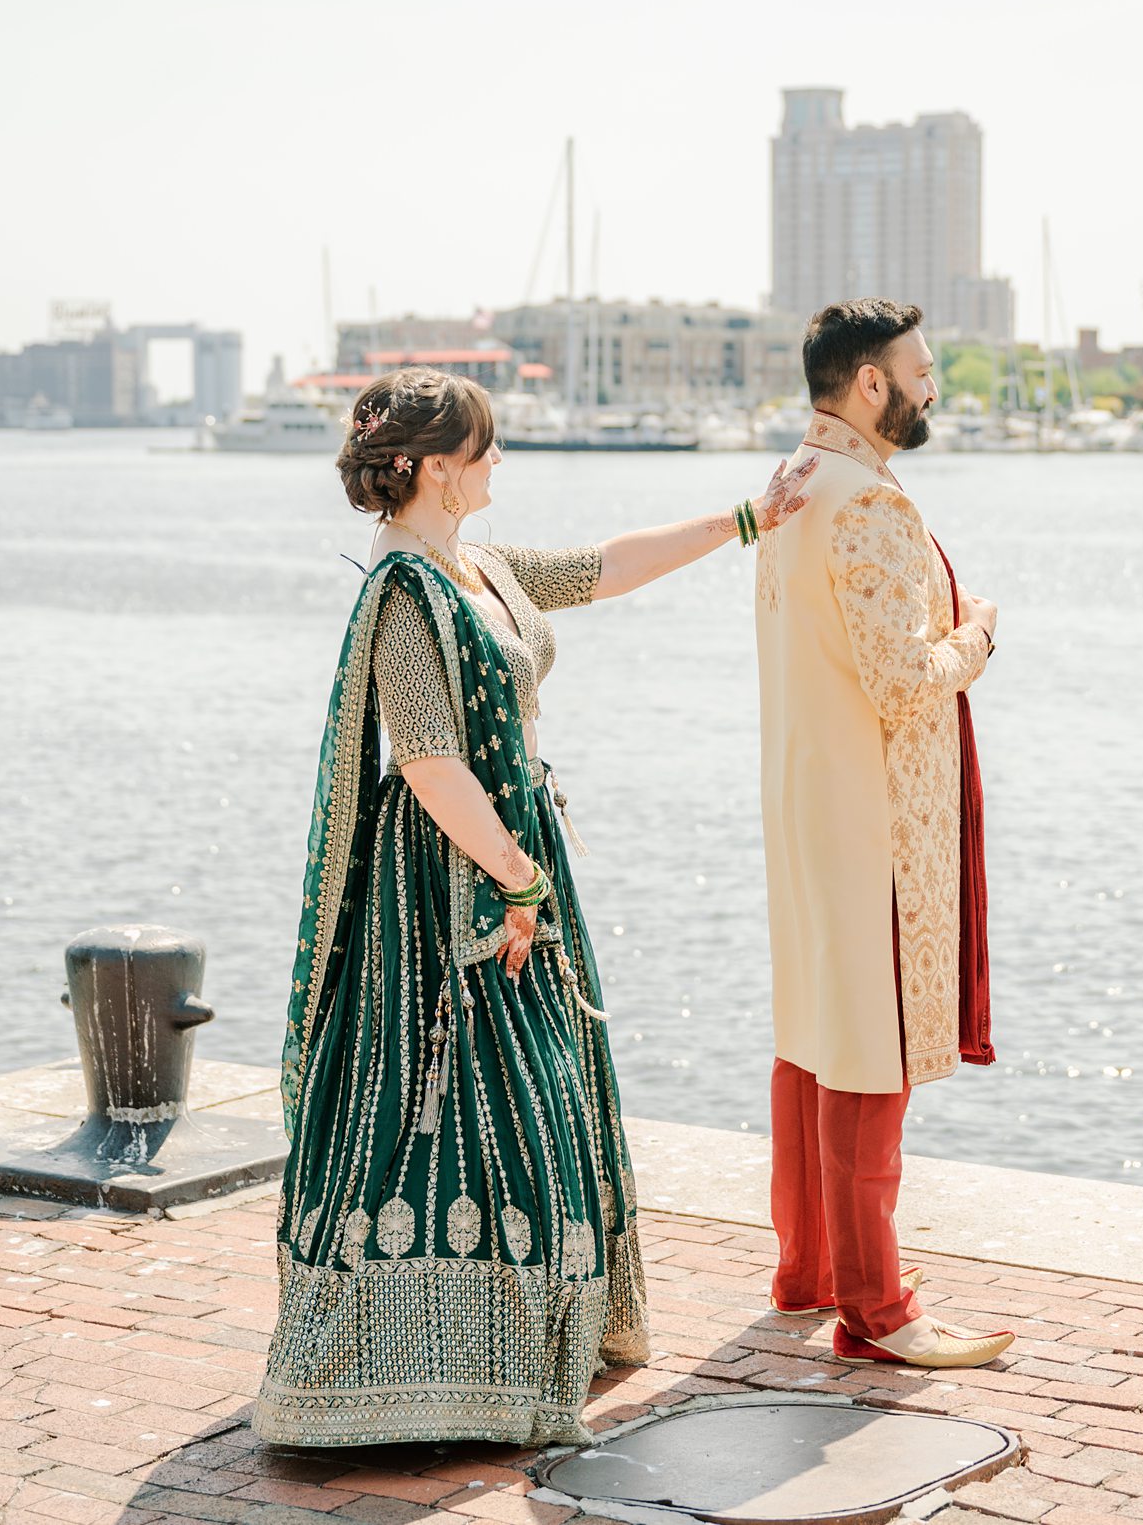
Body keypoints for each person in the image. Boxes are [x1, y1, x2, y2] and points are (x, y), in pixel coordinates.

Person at [257, 366, 816, 1446]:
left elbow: (604, 568)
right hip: (447, 886)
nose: (498, 461)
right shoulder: (407, 591)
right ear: (431, 470)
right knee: (461, 1107)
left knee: (540, 1099)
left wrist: (749, 516)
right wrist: (515, 874)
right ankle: (408, 1372)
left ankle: (525, 1344)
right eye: (484, 449)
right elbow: (424, 760)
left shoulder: (480, 568)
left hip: (514, 859)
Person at [753, 298, 1015, 1370]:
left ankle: (809, 1270)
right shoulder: (864, 501)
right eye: (921, 367)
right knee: (867, 1046)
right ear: (870, 383)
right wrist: (975, 639)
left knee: (817, 1029)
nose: (934, 381)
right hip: (872, 814)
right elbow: (904, 677)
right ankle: (877, 1307)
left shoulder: (789, 488)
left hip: (806, 800)